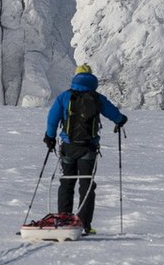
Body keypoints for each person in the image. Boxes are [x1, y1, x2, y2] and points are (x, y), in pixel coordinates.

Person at [44, 64, 128, 235]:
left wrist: (50, 137)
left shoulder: (64, 97)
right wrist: (121, 120)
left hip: (68, 147)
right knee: (86, 185)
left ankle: (64, 219)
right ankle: (84, 224)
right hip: (88, 148)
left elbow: (52, 119)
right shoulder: (97, 97)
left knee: (67, 182)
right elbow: (114, 114)